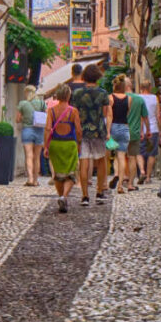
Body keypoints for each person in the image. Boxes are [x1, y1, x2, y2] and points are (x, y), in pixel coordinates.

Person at [71, 63, 111, 207]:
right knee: (101, 161)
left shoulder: (77, 94)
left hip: (82, 130)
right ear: (97, 77)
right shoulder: (103, 93)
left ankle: (85, 195)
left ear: (85, 77)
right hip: (98, 129)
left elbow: (74, 113)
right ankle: (99, 192)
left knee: (84, 161)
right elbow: (106, 113)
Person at [43, 84, 82, 213]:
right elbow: (78, 130)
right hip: (69, 144)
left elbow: (48, 129)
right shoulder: (73, 111)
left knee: (58, 174)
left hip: (56, 144)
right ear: (69, 95)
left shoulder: (52, 111)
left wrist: (46, 146)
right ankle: (64, 196)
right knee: (71, 173)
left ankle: (61, 196)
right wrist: (79, 144)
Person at [16, 84, 48, 187]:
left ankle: (29, 178)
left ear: (26, 93)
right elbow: (47, 116)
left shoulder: (22, 104)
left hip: (27, 130)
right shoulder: (42, 103)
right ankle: (35, 180)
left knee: (29, 156)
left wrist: (25, 118)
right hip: (39, 130)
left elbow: (17, 119)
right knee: (37, 157)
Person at [124, 78, 149, 192]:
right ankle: (130, 184)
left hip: (121, 131)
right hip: (134, 132)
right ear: (131, 85)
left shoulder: (118, 98)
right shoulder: (139, 99)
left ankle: (121, 181)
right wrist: (147, 130)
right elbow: (145, 117)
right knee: (132, 157)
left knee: (120, 157)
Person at [109, 75, 131, 194]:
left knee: (113, 154)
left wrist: (108, 131)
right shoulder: (129, 99)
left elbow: (109, 115)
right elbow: (127, 113)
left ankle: (116, 173)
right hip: (124, 128)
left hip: (113, 128)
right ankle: (120, 185)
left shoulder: (110, 98)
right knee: (122, 156)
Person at [138, 81, 161, 183]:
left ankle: (142, 171)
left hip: (141, 129)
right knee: (151, 153)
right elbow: (158, 116)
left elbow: (138, 115)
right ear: (150, 87)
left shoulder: (138, 98)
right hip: (153, 129)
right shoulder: (154, 98)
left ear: (140, 87)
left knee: (139, 152)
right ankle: (148, 177)